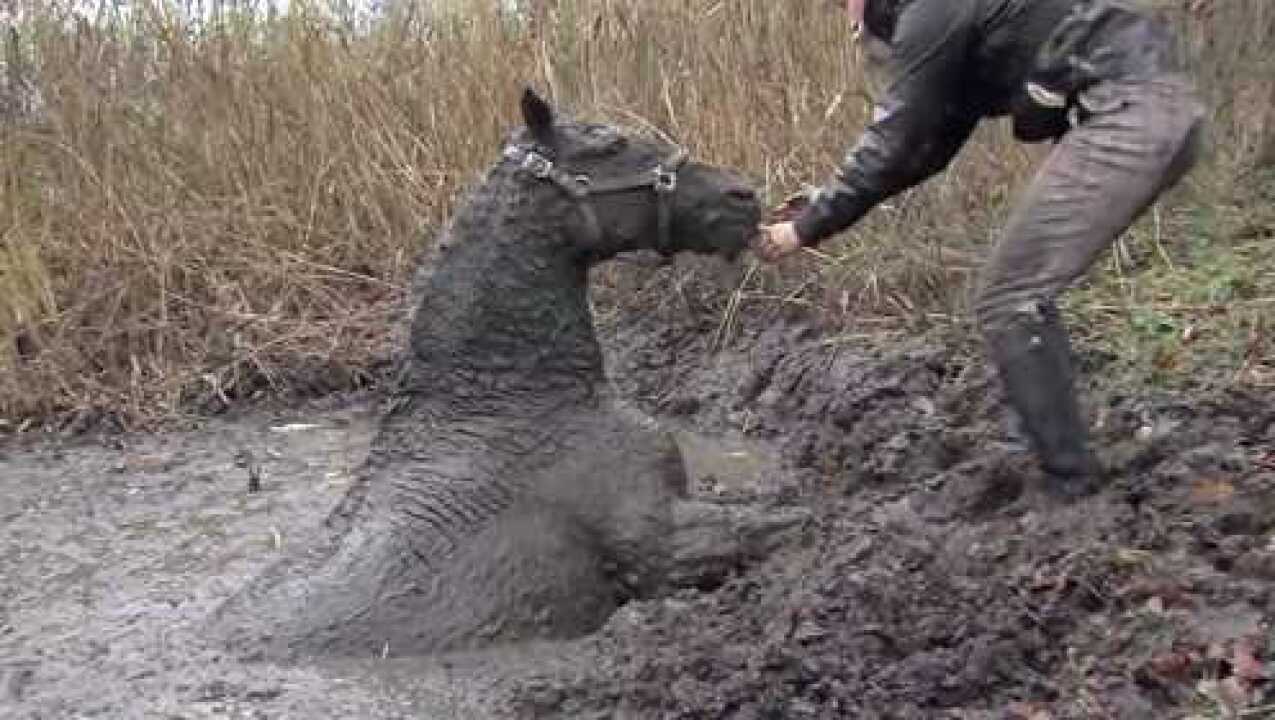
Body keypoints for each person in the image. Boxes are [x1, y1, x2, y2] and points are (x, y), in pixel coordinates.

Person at [755, 0, 1205, 495]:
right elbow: (923, 146)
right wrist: (819, 209)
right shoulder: (955, 16)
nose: (844, 14)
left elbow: (897, 138)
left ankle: (1072, 489)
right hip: (1151, 102)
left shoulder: (928, 12)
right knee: (1018, 295)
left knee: (1009, 299)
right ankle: (1056, 456)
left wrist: (799, 232)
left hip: (1128, 109)